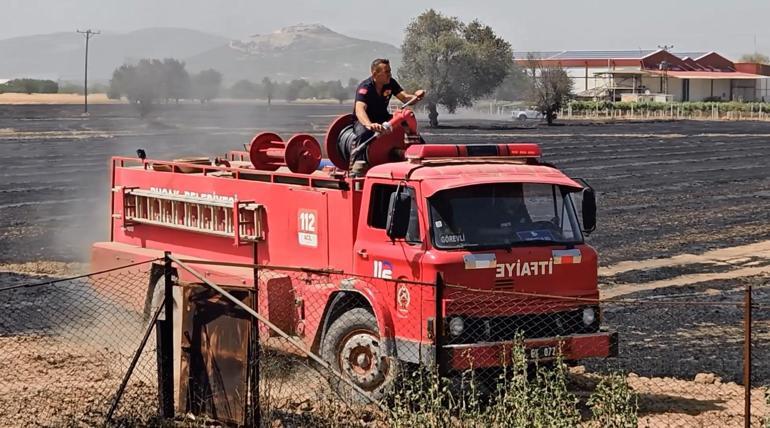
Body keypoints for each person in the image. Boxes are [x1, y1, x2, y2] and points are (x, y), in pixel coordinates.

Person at [347, 58, 425, 164]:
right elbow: (360, 110)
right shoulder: (365, 88)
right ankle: (358, 167)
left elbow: (405, 98)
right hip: (365, 121)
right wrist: (369, 125)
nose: (390, 74)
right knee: (364, 135)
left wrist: (415, 96)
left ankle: (422, 154)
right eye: (386, 72)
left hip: (383, 117)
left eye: (390, 71)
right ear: (375, 74)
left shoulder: (390, 83)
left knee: (407, 124)